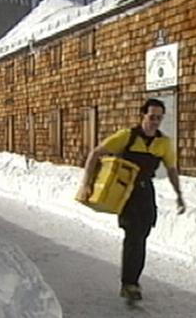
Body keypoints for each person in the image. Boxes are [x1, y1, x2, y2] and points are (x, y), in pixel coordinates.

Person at [76, 98, 185, 302]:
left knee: (143, 234)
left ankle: (132, 280)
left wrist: (179, 194)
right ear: (142, 115)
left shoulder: (164, 143)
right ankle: (130, 283)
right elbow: (96, 153)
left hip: (146, 192)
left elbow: (171, 169)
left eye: (159, 118)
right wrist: (86, 183)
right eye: (151, 117)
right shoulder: (127, 136)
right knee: (134, 235)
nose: (155, 122)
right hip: (125, 191)